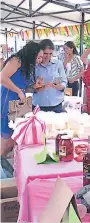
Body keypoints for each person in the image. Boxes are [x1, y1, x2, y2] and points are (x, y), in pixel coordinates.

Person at [1, 42, 43, 174]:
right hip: (10, 100)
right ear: (31, 54)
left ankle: (9, 167)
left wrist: (35, 86)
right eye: (39, 57)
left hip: (23, 103)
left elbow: (27, 87)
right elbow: (2, 77)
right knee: (6, 136)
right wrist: (18, 91)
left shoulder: (29, 65)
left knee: (17, 135)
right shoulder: (16, 60)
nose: (40, 60)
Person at [33, 39, 67, 113]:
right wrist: (37, 86)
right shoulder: (34, 65)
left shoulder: (58, 63)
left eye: (50, 53)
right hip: (39, 104)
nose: (48, 56)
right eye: (45, 53)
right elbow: (29, 87)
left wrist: (60, 86)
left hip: (56, 104)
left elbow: (64, 81)